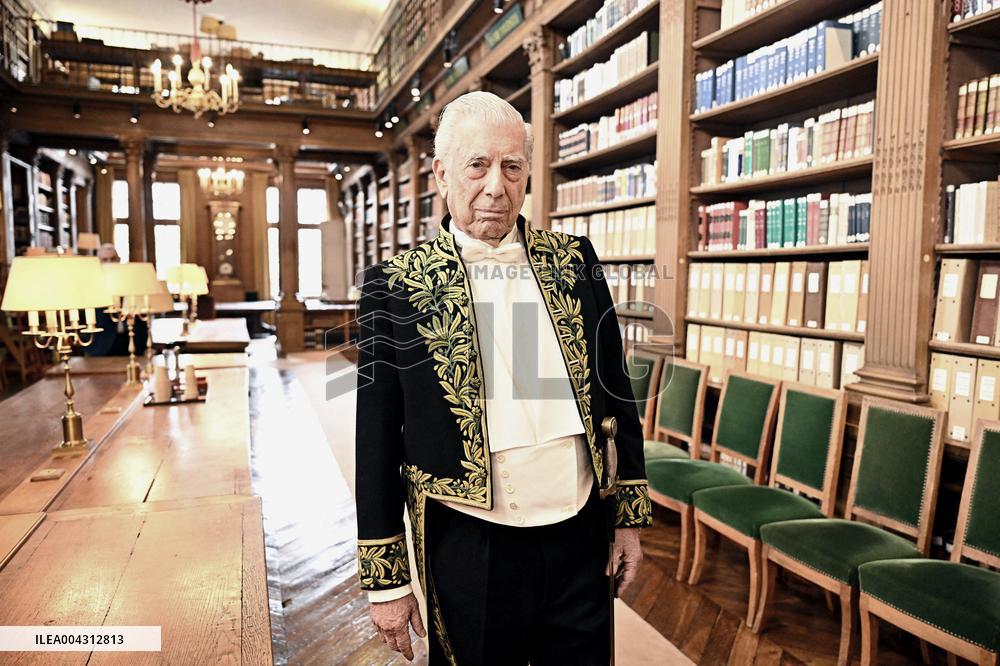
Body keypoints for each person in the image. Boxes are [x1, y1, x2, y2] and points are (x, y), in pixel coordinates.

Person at [354, 91, 651, 665]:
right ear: (441, 173)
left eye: (512, 167)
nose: (496, 186)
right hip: (468, 540)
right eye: (478, 165)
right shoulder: (391, 285)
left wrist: (627, 521)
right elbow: (376, 438)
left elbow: (617, 392)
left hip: (580, 529)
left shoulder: (576, 261)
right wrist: (387, 580)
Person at [87, 243, 148, 357]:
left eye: (113, 259)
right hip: (101, 347)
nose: (109, 263)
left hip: (132, 342)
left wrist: (145, 345)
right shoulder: (91, 286)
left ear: (119, 260)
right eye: (105, 260)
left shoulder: (130, 282)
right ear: (98, 262)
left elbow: (142, 315)